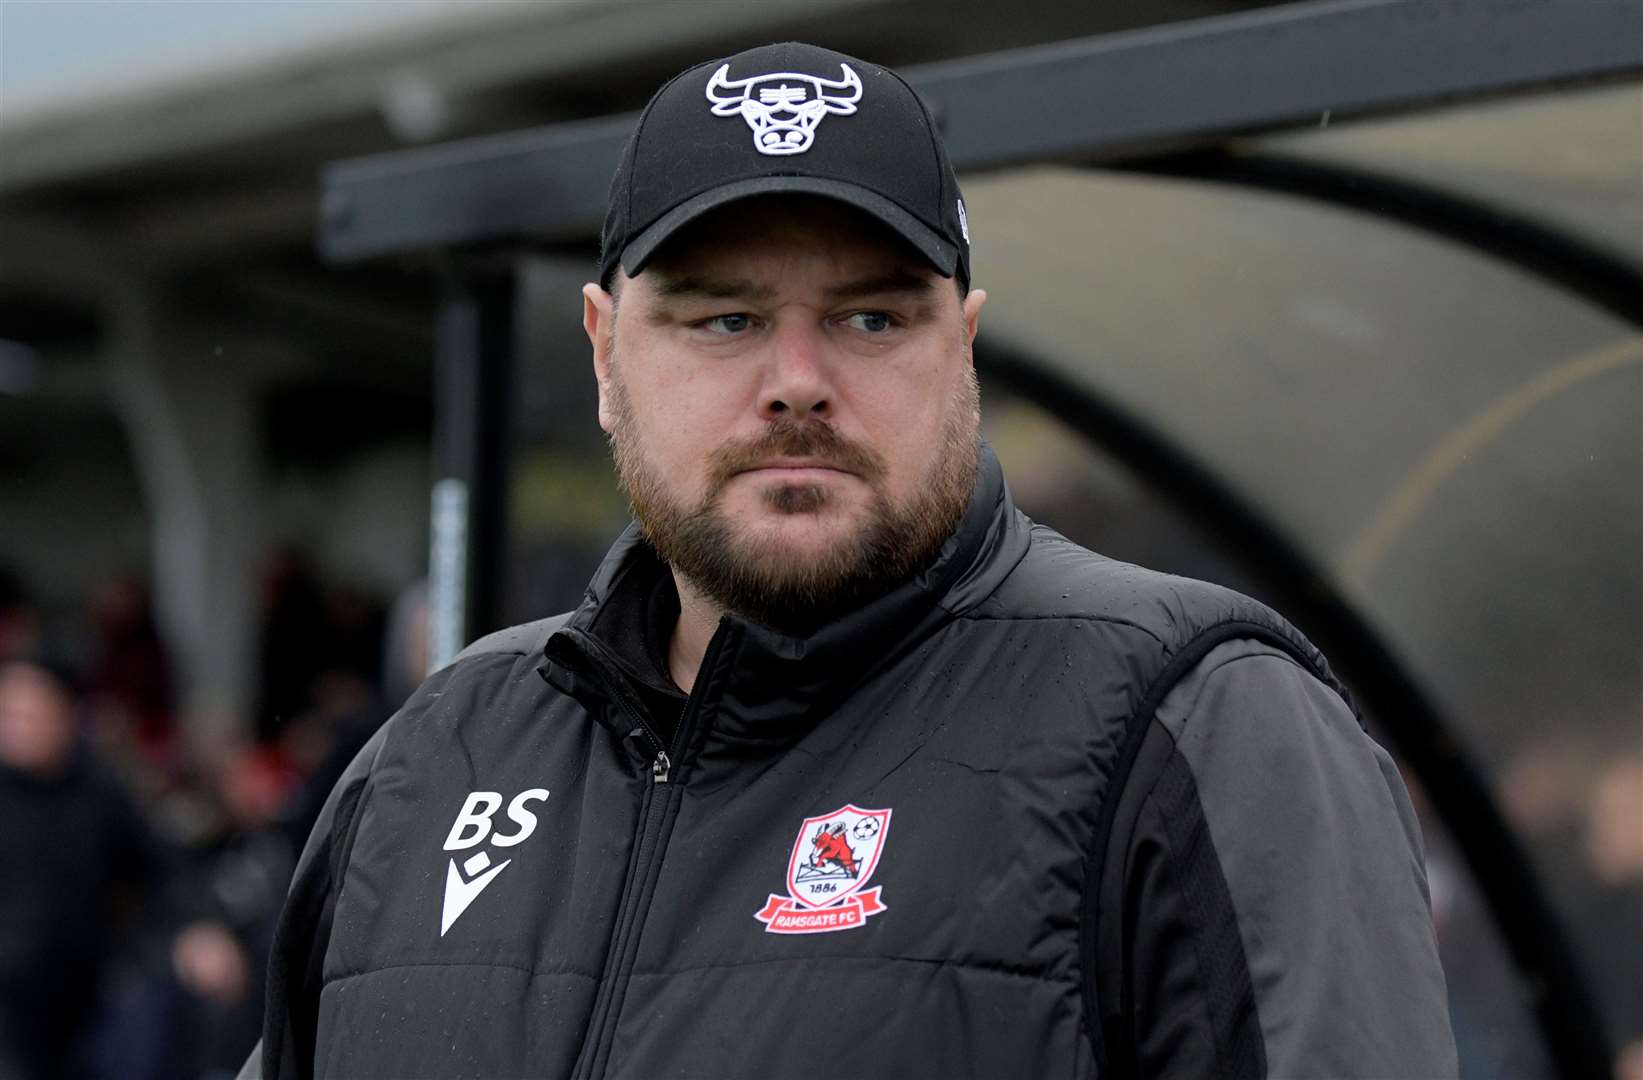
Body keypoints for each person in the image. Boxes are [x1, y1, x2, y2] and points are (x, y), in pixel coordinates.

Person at [247, 42, 1457, 1079]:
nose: (794, 385)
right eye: (722, 319)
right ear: (605, 350)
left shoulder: (1196, 722)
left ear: (963, 348)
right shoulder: (437, 756)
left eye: (869, 318)